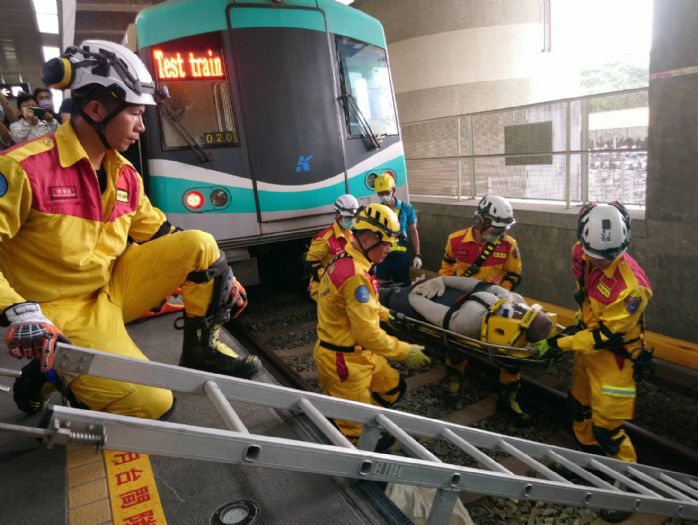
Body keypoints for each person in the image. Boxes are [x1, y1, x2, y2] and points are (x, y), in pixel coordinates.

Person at [1, 40, 259, 421]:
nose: (142, 126)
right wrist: (17, 311)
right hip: (58, 312)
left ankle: (201, 350)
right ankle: (48, 371)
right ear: (95, 110)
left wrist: (222, 275)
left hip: (111, 288)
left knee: (202, 245)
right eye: (135, 114)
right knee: (153, 405)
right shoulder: (23, 169)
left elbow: (159, 232)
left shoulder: (124, 174)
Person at [533, 201, 651, 523]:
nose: (601, 262)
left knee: (609, 430)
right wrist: (574, 329)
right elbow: (583, 294)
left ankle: (626, 488)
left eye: (608, 257)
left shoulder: (633, 290)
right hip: (587, 353)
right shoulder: (582, 253)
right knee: (579, 407)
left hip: (615, 360)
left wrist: (560, 342)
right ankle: (589, 461)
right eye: (595, 255)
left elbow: (604, 337)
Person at [313, 203, 430, 448]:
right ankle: (361, 459)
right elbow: (367, 333)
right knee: (355, 434)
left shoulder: (349, 261)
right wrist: (405, 352)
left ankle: (372, 425)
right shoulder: (356, 276)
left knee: (393, 388)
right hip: (344, 362)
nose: (389, 249)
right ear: (368, 239)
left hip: (359, 355)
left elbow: (362, 307)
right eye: (386, 243)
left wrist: (388, 315)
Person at [438, 195, 528, 423]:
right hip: (464, 301)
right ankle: (454, 380)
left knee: (512, 347)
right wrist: (449, 289)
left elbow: (514, 274)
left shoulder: (508, 245)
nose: (499, 235)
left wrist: (501, 294)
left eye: (502, 230)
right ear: (480, 222)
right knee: (455, 343)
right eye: (496, 229)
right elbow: (447, 265)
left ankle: (509, 395)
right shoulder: (455, 240)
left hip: (495, 304)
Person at [305, 193, 359, 301]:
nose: (351, 220)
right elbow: (310, 263)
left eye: (353, 217)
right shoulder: (325, 238)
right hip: (325, 290)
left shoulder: (351, 235)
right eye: (348, 217)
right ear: (338, 215)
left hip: (343, 287)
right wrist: (329, 278)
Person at [373, 172, 421, 284]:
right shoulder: (377, 211)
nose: (383, 196)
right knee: (380, 287)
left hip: (401, 257)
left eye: (386, 192)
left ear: (394, 191)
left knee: (402, 288)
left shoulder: (407, 208)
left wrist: (417, 255)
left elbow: (414, 232)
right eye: (380, 193)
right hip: (382, 256)